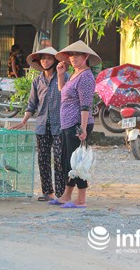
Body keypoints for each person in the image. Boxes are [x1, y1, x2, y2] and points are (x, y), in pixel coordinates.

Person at [10, 47, 68, 201]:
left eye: (49, 58)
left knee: (59, 159)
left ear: (54, 61)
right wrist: (23, 121)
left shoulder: (63, 77)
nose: (45, 61)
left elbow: (69, 100)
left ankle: (60, 194)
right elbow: (31, 104)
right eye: (42, 58)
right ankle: (47, 193)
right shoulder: (37, 81)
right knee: (43, 159)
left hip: (60, 125)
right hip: (42, 125)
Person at [50, 40, 100, 208]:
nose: (73, 58)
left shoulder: (86, 77)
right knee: (68, 162)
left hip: (78, 124)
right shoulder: (74, 75)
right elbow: (63, 92)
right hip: (67, 124)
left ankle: (81, 199)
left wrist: (83, 128)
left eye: (77, 55)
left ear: (85, 56)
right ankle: (66, 195)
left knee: (78, 162)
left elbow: (86, 105)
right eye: (71, 55)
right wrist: (59, 74)